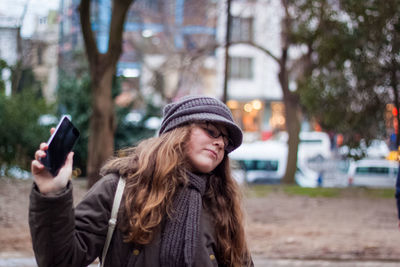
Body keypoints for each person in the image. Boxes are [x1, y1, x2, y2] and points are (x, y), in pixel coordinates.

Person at [29, 95, 253, 267]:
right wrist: (52, 194)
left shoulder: (221, 205)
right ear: (178, 131)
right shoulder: (119, 189)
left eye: (225, 140)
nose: (220, 143)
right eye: (211, 131)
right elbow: (60, 261)